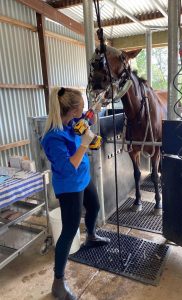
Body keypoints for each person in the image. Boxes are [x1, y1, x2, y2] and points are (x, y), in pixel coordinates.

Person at [41, 87, 110, 300]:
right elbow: (69, 166)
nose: (84, 111)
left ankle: (90, 236)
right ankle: (58, 282)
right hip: (69, 186)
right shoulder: (52, 138)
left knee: (95, 206)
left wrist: (97, 106)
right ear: (71, 110)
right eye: (81, 107)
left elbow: (86, 119)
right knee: (69, 231)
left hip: (83, 177)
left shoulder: (71, 122)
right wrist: (85, 144)